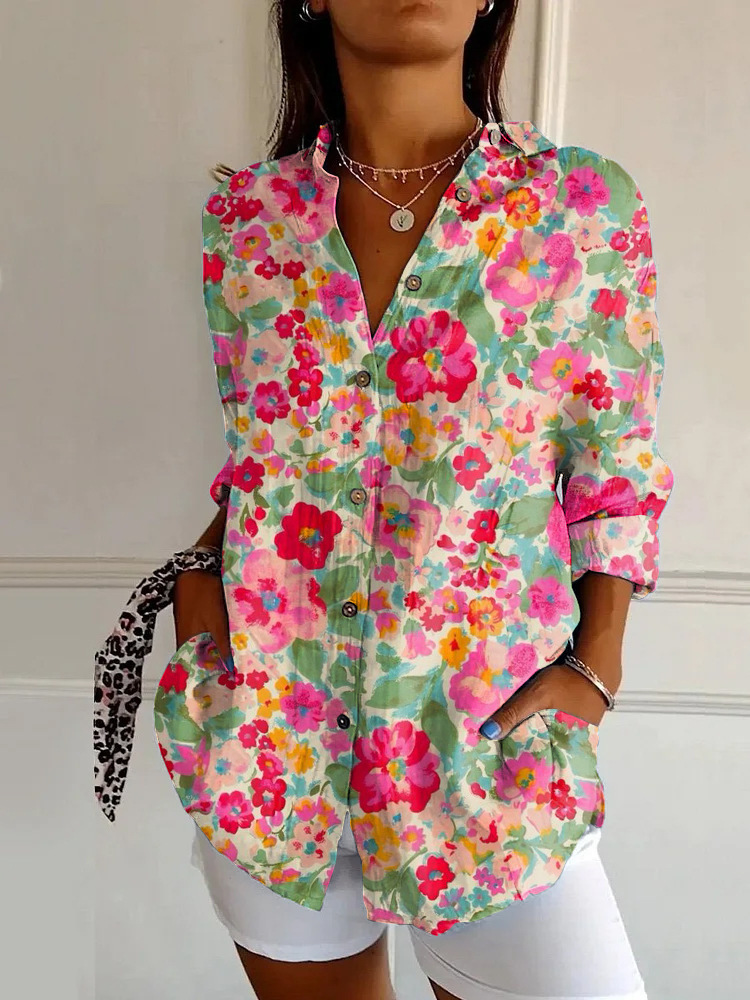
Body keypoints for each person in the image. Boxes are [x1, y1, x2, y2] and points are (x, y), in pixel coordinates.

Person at [95, 0, 672, 997]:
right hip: (272, 750)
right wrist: (200, 600)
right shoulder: (247, 222)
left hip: (486, 757)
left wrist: (600, 662)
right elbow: (268, 462)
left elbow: (613, 465)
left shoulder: (580, 205)